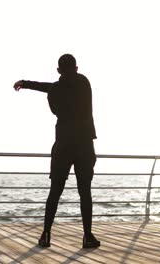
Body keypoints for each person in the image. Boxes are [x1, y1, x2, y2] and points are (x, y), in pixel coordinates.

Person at [13, 54, 101, 249]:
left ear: (58, 71)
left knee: (55, 191)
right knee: (84, 191)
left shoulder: (55, 90)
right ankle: (87, 236)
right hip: (84, 144)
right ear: (77, 68)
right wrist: (28, 84)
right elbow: (56, 84)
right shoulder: (84, 82)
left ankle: (46, 235)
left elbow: (52, 91)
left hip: (63, 145)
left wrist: (26, 84)